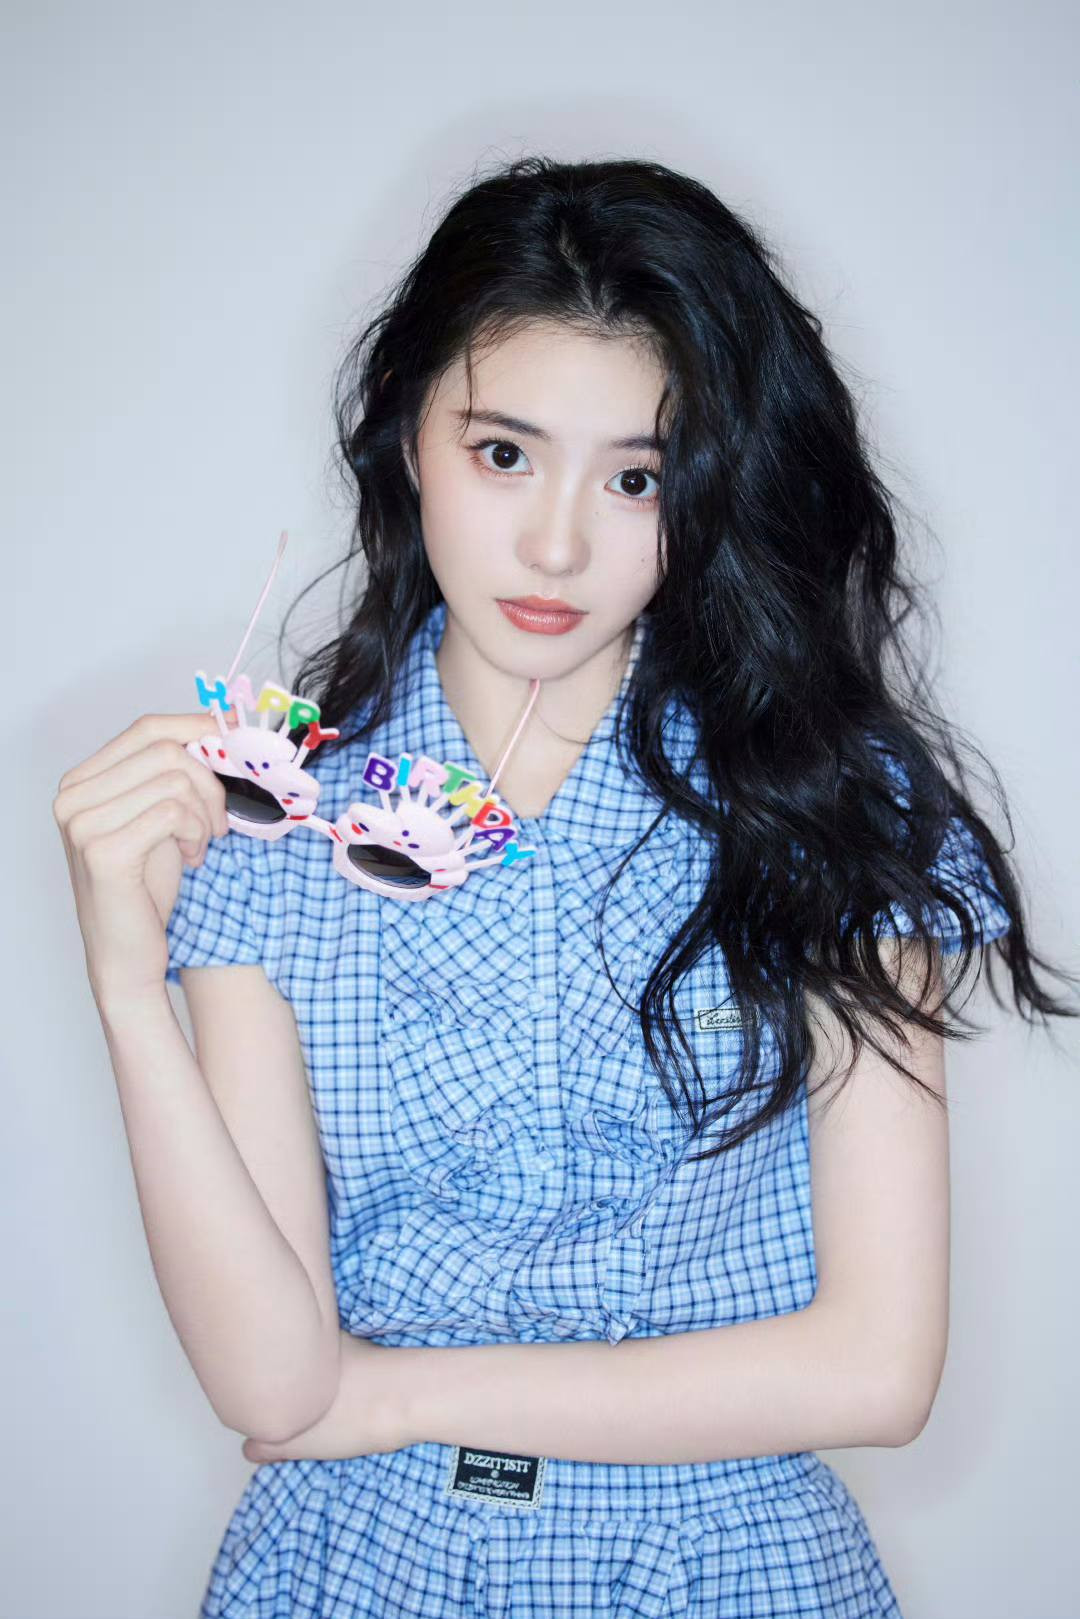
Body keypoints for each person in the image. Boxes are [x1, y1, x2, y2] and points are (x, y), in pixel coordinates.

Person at [54, 154, 1076, 1618]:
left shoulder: (829, 814)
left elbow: (878, 1369)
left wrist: (399, 1396)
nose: (556, 545)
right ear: (409, 431)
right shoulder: (274, 831)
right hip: (357, 1571)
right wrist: (122, 982)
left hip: (721, 1570)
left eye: (637, 478)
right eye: (505, 454)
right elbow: (273, 1384)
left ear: (709, 488)